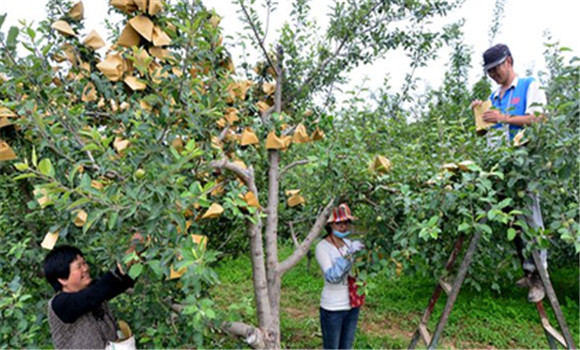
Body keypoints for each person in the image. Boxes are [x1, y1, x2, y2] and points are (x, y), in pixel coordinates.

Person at [471, 43, 548, 303]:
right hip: (501, 167)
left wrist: (503, 118)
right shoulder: (494, 97)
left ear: (509, 61)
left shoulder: (529, 85)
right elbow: (483, 132)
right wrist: (480, 113)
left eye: (496, 69)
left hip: (524, 164)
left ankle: (540, 277)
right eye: (489, 72)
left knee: (530, 218)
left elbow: (539, 119)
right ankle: (528, 271)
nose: (494, 75)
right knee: (513, 221)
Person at [43, 245, 136, 349]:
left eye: (84, 263)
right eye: (79, 266)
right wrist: (128, 254)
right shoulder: (60, 304)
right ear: (63, 279)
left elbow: (120, 282)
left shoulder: (93, 289)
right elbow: (93, 295)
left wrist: (137, 254)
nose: (86, 268)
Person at [315, 203, 365, 349]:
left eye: (346, 222)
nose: (343, 226)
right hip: (332, 308)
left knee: (346, 347)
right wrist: (350, 255)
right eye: (339, 223)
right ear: (330, 224)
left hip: (351, 305)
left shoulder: (349, 243)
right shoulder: (322, 247)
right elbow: (332, 276)